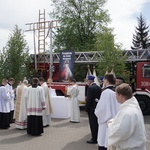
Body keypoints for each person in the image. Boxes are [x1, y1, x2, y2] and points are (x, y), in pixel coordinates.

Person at [107, 83, 147, 150]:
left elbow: (120, 132)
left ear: (121, 96)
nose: (115, 96)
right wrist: (114, 121)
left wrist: (110, 125)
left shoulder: (127, 112)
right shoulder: (133, 107)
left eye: (116, 94)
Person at [95, 73, 119, 150]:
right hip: (115, 118)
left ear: (107, 81)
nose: (103, 82)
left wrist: (96, 111)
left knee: (104, 140)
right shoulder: (117, 91)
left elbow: (102, 109)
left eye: (104, 80)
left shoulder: (106, 92)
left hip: (106, 120)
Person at [85, 75, 102, 144]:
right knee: (96, 123)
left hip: (91, 109)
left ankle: (94, 138)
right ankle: (98, 137)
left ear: (89, 81)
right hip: (97, 107)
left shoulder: (90, 88)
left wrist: (86, 109)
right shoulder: (98, 87)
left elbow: (89, 100)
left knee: (92, 124)